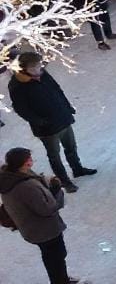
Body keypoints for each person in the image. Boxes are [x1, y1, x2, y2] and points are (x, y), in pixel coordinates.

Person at [0, 146, 88, 284]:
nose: (31, 161)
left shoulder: (11, 178)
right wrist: (56, 189)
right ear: (24, 163)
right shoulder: (24, 186)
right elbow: (46, 209)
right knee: (57, 255)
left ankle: (59, 283)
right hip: (43, 228)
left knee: (50, 256)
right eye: (29, 158)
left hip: (32, 228)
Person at [6, 52, 96, 190]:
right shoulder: (17, 85)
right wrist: (39, 121)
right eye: (33, 68)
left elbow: (57, 90)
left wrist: (67, 106)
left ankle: (77, 169)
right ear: (24, 69)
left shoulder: (43, 74)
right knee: (54, 155)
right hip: (47, 128)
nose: (38, 70)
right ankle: (64, 181)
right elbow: (21, 109)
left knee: (71, 147)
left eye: (39, 66)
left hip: (62, 117)